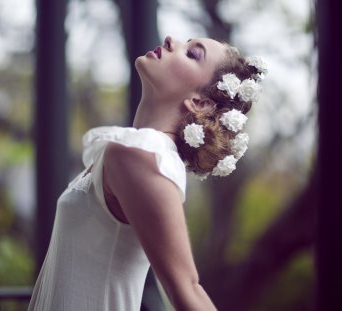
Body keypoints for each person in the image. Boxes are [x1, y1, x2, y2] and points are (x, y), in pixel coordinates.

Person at [28, 35, 267, 311]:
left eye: (192, 54)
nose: (170, 40)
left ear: (199, 103)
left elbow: (187, 288)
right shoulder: (140, 152)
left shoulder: (142, 154)